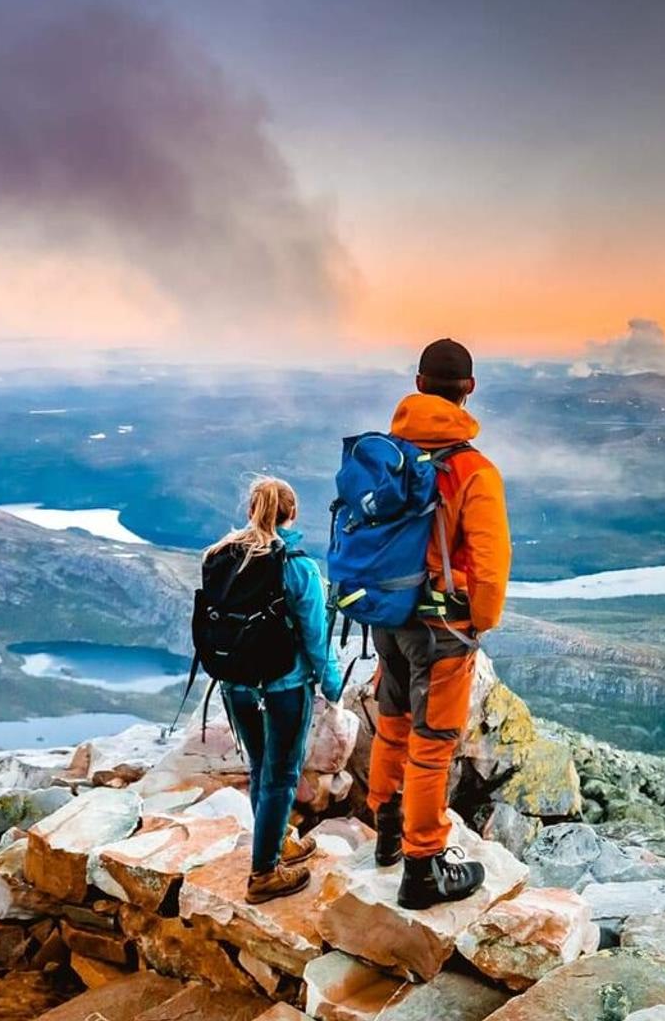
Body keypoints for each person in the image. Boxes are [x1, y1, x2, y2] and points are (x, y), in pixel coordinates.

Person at [364, 338, 513, 909]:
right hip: (442, 627)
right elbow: (490, 563)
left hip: (388, 613)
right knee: (432, 745)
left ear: (419, 382)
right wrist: (480, 621)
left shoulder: (388, 455)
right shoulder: (473, 470)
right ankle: (423, 870)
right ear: (468, 389)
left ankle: (386, 834)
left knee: (393, 722)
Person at [203, 476, 342, 904]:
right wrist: (333, 684)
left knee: (261, 764)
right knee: (281, 774)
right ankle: (264, 871)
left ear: (251, 510)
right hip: (283, 685)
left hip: (235, 683)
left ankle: (278, 841)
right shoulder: (297, 567)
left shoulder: (219, 556)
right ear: (292, 514)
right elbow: (316, 638)